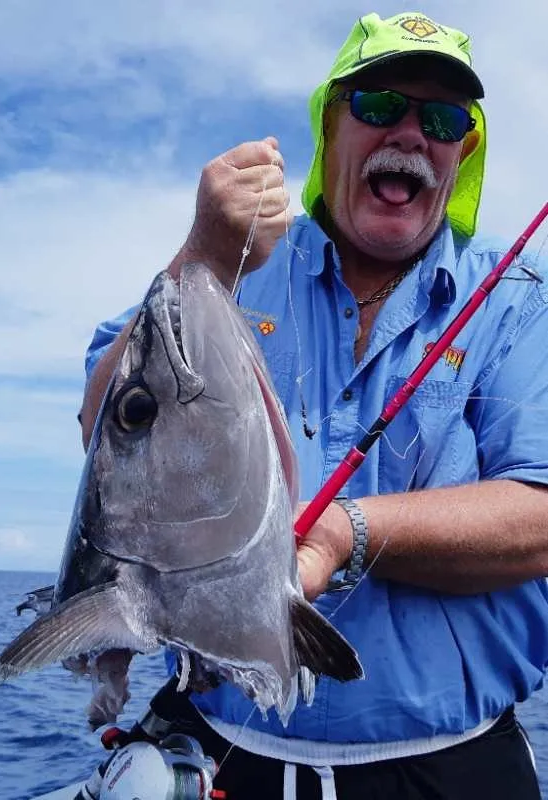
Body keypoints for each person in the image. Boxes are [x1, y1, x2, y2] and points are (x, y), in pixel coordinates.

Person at [80, 10, 548, 800]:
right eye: (378, 104)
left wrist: (344, 532)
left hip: (453, 765)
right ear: (329, 125)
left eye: (441, 119)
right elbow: (104, 425)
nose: (410, 133)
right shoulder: (227, 268)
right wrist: (201, 254)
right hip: (221, 750)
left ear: (461, 150)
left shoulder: (520, 301)